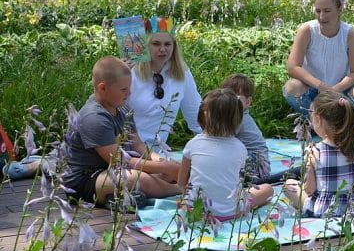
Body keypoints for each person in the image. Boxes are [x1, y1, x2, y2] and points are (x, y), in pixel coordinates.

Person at [61, 56, 181, 205]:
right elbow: (120, 161)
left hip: (113, 171)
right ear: (102, 88)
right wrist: (165, 168)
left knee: (165, 170)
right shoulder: (94, 118)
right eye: (123, 90)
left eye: (129, 89)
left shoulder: (122, 107)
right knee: (139, 179)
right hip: (86, 179)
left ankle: (119, 197)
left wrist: (164, 162)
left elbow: (138, 145)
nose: (129, 94)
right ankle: (179, 190)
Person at [177, 88, 273, 220]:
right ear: (238, 120)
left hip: (196, 211)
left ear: (202, 116)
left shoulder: (193, 144)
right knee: (268, 189)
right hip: (231, 212)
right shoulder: (240, 148)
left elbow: (181, 182)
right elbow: (236, 181)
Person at [283, 0, 354, 114]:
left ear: (340, 9)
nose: (321, 16)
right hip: (311, 89)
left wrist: (334, 90)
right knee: (292, 87)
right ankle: (313, 119)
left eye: (327, 11)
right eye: (318, 11)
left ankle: (339, 122)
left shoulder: (350, 34)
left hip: (340, 90)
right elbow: (293, 67)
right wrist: (320, 86)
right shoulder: (307, 30)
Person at [284, 90, 354, 218]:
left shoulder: (314, 151)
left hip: (325, 209)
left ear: (318, 120)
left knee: (288, 185)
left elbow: (309, 189)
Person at [126, 16, 202, 150]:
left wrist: (213, 141)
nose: (162, 49)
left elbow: (195, 113)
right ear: (145, 45)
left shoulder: (182, 73)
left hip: (159, 152)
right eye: (156, 44)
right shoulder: (130, 72)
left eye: (167, 44)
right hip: (126, 150)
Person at [220, 73, 271, 182]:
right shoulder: (233, 115)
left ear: (247, 102)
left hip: (256, 164)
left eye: (235, 98)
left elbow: (221, 139)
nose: (229, 101)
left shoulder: (239, 118)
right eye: (226, 97)